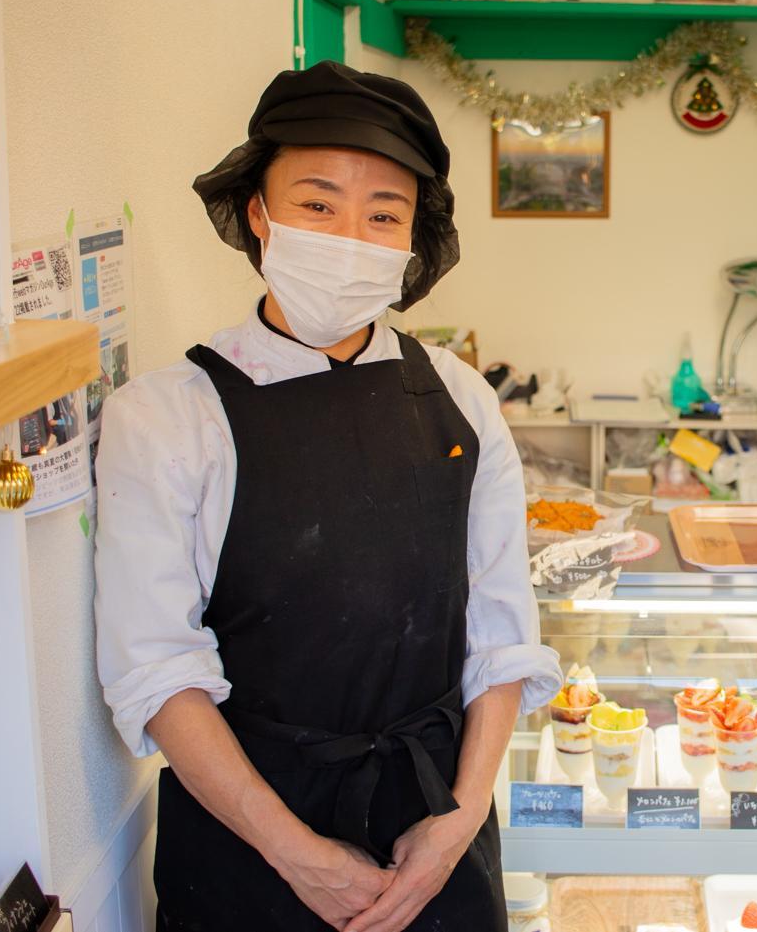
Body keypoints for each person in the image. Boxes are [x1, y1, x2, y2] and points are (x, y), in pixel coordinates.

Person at [93, 61, 561, 932]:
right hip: (246, 842)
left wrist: (457, 825)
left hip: (436, 823)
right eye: (318, 204)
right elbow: (155, 670)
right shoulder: (166, 415)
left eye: (384, 213)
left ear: (414, 238)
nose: (351, 235)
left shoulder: (461, 397)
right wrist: (295, 852)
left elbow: (502, 637)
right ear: (259, 212)